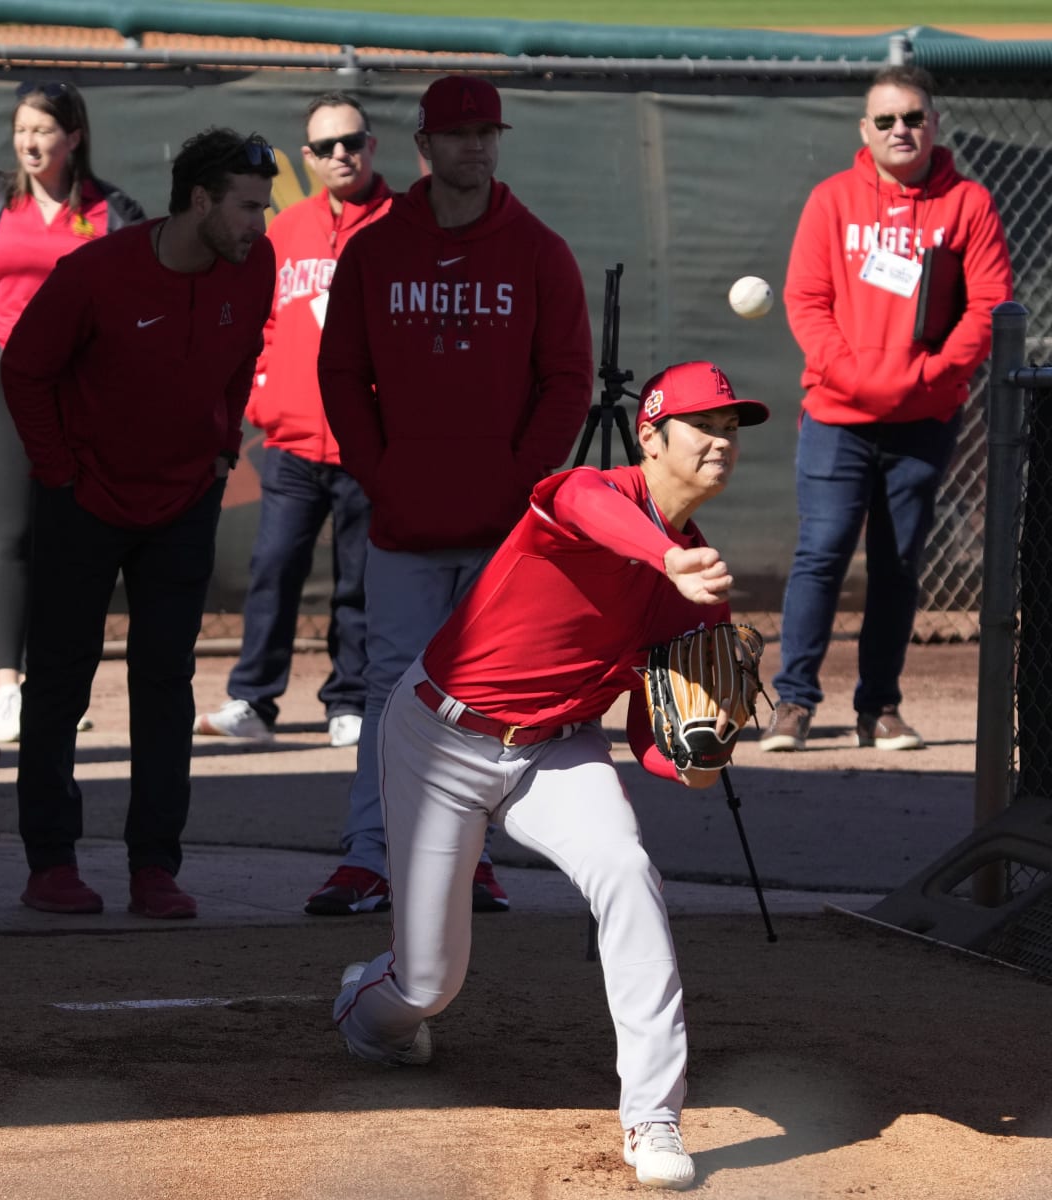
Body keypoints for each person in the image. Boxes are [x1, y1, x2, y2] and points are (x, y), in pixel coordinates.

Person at [333, 360, 768, 1191]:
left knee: (629, 873)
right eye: (704, 425)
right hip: (439, 737)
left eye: (733, 429)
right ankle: (366, 1006)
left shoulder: (698, 586)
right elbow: (579, 504)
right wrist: (665, 560)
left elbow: (651, 739)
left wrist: (699, 756)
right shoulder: (587, 496)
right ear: (650, 435)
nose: (721, 442)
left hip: (558, 750)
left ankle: (654, 1116)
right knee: (428, 983)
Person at [308, 75, 594, 917]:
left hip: (502, 524)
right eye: (459, 134)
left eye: (487, 133)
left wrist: (521, 481)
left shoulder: (537, 249)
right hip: (405, 518)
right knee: (392, 689)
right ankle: (370, 855)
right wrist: (379, 472)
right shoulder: (375, 249)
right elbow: (340, 372)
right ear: (425, 149)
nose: (475, 146)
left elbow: (568, 380)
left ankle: (467, 858)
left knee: (482, 698)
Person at [0, 128, 277, 918]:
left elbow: (237, 359)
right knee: (59, 679)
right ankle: (50, 863)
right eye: (248, 206)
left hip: (182, 503)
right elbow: (24, 368)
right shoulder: (96, 273)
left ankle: (155, 867)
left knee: (167, 683)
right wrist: (59, 473)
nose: (261, 223)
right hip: (81, 503)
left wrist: (222, 450)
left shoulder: (251, 266)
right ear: (200, 201)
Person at [761, 64, 1012, 754]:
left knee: (899, 565)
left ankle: (881, 709)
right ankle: (794, 703)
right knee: (822, 553)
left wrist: (928, 373)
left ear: (934, 124)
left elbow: (989, 307)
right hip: (837, 416)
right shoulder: (832, 200)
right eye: (886, 119)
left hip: (924, 419)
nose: (901, 129)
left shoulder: (967, 203)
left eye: (914, 117)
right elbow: (806, 301)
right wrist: (855, 376)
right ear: (864, 130)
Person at [0, 80, 145, 745]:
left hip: (81, 395)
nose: (30, 141)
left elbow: (137, 309)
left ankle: (59, 685)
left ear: (74, 137)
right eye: (21, 130)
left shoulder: (113, 212)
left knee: (71, 545)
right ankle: (9, 684)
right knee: (13, 539)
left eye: (43, 130)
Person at [194, 92, 391, 750]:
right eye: (328, 146)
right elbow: (260, 318)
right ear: (306, 157)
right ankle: (253, 700)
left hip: (369, 441)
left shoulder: (404, 224)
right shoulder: (287, 228)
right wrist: (261, 396)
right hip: (292, 439)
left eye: (354, 141)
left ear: (373, 145)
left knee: (361, 580)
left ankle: (350, 701)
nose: (343, 154)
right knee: (274, 567)